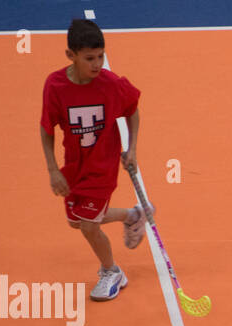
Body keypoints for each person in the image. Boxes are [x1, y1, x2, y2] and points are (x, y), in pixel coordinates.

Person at [39, 18, 150, 302]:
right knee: (77, 221)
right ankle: (132, 215)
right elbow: (46, 127)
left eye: (100, 56)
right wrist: (53, 169)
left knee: (89, 225)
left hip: (103, 165)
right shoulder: (55, 85)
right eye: (89, 58)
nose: (97, 64)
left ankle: (111, 271)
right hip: (74, 166)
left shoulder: (110, 84)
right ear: (71, 56)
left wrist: (132, 149)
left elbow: (133, 110)